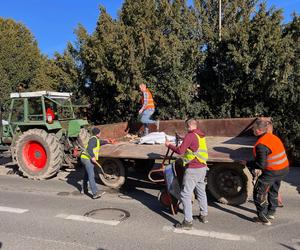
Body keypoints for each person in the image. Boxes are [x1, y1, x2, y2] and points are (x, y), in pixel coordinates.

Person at [165, 118, 209, 230]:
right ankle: (203, 215)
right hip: (202, 167)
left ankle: (188, 221)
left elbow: (180, 151)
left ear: (188, 126)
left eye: (186, 128)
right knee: (201, 192)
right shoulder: (200, 135)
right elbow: (194, 144)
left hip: (193, 169)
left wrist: (169, 145)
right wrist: (183, 138)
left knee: (185, 194)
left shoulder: (190, 136)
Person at [245, 119, 289, 225]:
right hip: (283, 169)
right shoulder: (272, 137)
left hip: (272, 172)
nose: (252, 131)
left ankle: (263, 218)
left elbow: (261, 165)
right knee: (273, 190)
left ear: (259, 131)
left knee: (259, 193)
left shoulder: (261, 144)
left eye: (254, 129)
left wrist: (247, 163)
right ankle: (271, 212)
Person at [80, 127, 111, 199]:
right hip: (87, 159)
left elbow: (99, 142)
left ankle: (84, 189)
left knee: (87, 174)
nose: (101, 133)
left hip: (84, 158)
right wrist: (93, 157)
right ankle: (95, 193)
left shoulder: (95, 139)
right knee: (91, 175)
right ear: (98, 133)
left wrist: (107, 141)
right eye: (100, 132)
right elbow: (89, 149)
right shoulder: (93, 139)